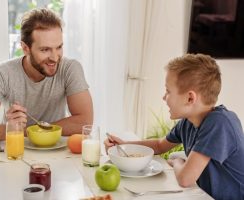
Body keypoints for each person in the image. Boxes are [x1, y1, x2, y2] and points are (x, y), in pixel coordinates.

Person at [105, 54, 244, 200]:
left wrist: (178, 162)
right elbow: (159, 145)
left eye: (168, 91)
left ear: (190, 98)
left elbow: (185, 179)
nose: (164, 97)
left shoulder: (220, 123)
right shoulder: (188, 122)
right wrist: (124, 145)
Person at [0, 8, 93, 142]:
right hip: (16, 150)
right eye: (45, 50)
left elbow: (84, 122)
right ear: (26, 48)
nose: (55, 58)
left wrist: (32, 131)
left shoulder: (70, 68)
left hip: (58, 150)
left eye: (59, 47)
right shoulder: (1, 74)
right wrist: (10, 129)